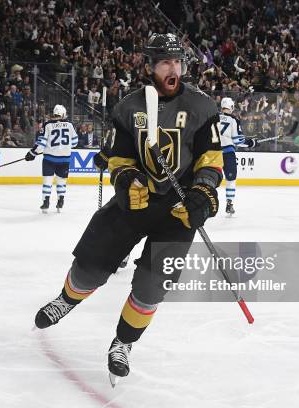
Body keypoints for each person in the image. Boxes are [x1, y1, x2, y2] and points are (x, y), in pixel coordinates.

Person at [33, 33, 224, 385]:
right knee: (89, 267)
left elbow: (211, 160)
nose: (174, 68)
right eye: (166, 62)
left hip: (178, 210)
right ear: (150, 66)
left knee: (153, 286)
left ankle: (123, 342)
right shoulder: (128, 107)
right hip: (134, 202)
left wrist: (204, 193)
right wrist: (126, 178)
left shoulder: (202, 107)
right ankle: (67, 300)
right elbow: (117, 156)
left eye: (178, 61)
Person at [24, 104, 78, 213]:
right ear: (63, 114)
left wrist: (32, 153)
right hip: (65, 159)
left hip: (49, 159)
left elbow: (42, 143)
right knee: (61, 181)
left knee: (47, 181)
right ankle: (60, 201)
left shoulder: (48, 125)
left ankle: (46, 202)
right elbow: (75, 143)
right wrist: (63, 147)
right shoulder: (69, 125)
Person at [218, 97, 257, 215]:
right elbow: (238, 140)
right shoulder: (233, 120)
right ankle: (229, 204)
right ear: (231, 107)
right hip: (228, 153)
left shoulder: (214, 118)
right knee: (231, 180)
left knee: (210, 178)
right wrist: (251, 143)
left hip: (214, 153)